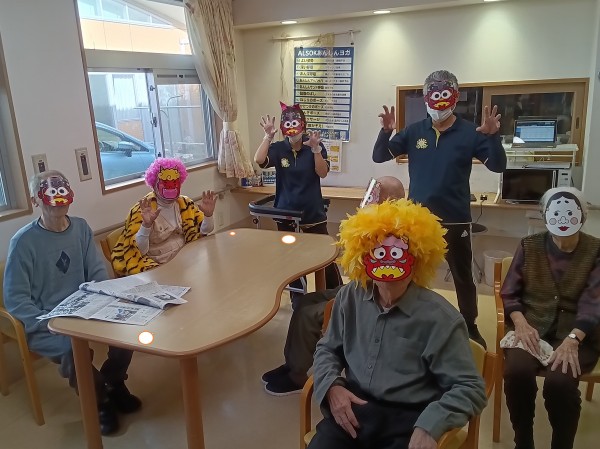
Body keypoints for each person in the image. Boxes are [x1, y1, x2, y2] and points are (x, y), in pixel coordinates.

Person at [309, 199, 487, 449]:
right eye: (379, 252)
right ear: (365, 255)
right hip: (353, 411)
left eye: (398, 253)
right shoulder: (350, 296)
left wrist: (431, 425)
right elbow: (327, 349)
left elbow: (470, 387)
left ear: (417, 259)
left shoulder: (441, 319)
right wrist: (332, 387)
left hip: (409, 419)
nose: (388, 264)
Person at [373, 69, 507, 348]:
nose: (439, 101)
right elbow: (379, 156)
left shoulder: (471, 132)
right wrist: (386, 132)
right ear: (426, 98)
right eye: (433, 95)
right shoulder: (414, 131)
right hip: (418, 221)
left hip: (456, 220)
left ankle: (469, 325)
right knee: (410, 273)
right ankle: (409, 320)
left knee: (462, 276)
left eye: (445, 94)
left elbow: (498, 166)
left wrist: (494, 137)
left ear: (454, 97)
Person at [3, 171, 141, 435]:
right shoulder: (23, 242)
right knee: (71, 348)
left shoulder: (81, 228)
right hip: (46, 320)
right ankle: (98, 399)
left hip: (85, 307)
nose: (58, 199)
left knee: (126, 326)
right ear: (35, 200)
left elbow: (97, 273)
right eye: (48, 192)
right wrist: (47, 323)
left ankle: (113, 381)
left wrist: (105, 301)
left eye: (62, 190)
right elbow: (16, 299)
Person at [262, 176, 406, 396]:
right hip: (360, 288)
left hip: (372, 299)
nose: (369, 198)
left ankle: (297, 375)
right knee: (305, 301)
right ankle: (292, 364)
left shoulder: (397, 235)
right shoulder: (377, 225)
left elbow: (384, 282)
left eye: (376, 194)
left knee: (310, 313)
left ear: (390, 201)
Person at [501, 187, 600, 449]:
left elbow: (594, 302)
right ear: (545, 216)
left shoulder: (596, 250)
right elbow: (510, 292)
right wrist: (520, 323)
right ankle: (523, 441)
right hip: (531, 325)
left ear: (582, 216)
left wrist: (573, 339)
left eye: (570, 212)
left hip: (579, 333)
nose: (562, 219)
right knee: (517, 372)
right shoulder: (529, 245)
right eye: (555, 213)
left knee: (559, 383)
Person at [254, 102, 342, 296]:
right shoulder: (278, 148)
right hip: (286, 212)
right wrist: (268, 136)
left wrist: (316, 150)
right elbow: (259, 160)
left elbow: (323, 173)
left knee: (325, 256)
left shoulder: (315, 146)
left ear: (303, 124)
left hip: (312, 211)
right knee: (291, 259)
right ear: (282, 127)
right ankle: (297, 298)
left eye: (295, 122)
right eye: (287, 123)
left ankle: (336, 295)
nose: (292, 126)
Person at [111, 157, 217, 276]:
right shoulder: (143, 209)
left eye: (175, 181)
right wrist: (146, 225)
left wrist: (208, 215)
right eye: (164, 181)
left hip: (187, 261)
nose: (170, 185)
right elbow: (139, 251)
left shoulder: (185, 203)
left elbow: (205, 231)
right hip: (158, 268)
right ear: (154, 185)